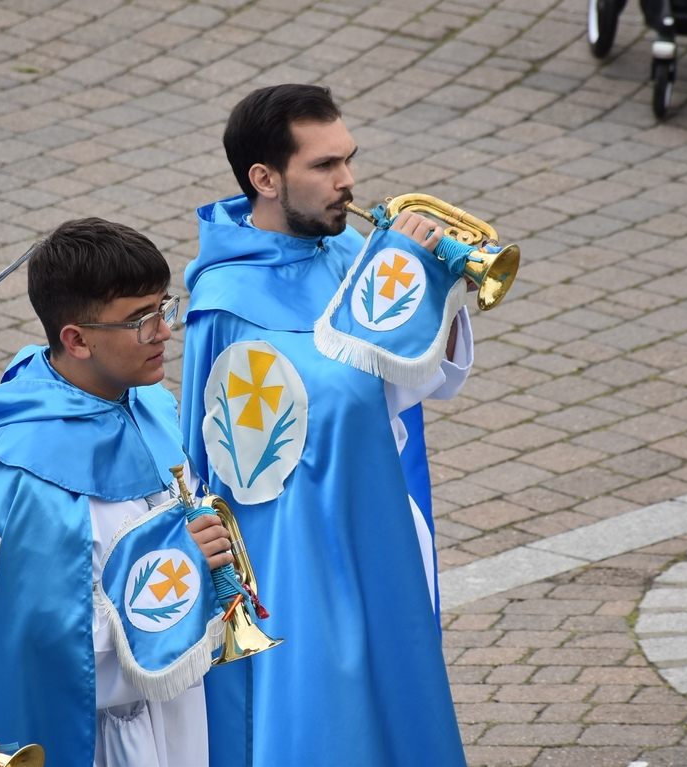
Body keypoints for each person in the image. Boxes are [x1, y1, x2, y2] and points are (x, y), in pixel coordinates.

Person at [179, 84, 473, 765]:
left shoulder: (345, 251)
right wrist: (393, 287)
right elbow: (296, 424)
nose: (348, 181)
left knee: (393, 696)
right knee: (331, 713)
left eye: (348, 158)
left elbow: (413, 386)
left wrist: (438, 297)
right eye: (324, 165)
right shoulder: (228, 302)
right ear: (265, 179)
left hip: (373, 511)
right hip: (298, 549)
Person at [0, 218, 231, 767]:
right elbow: (48, 650)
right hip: (104, 736)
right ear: (77, 340)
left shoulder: (148, 405)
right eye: (141, 320)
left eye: (164, 308)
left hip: (175, 705)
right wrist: (185, 568)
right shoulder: (26, 480)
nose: (165, 331)